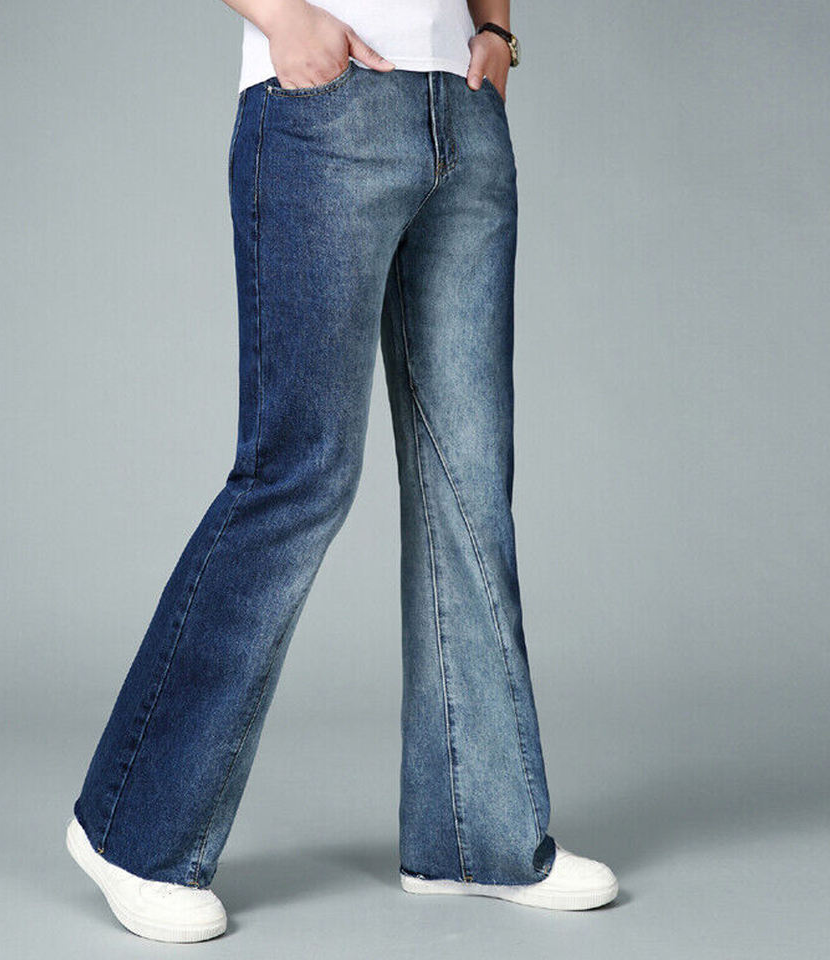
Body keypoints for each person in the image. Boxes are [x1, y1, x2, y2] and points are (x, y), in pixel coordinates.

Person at [65, 0, 618, 942]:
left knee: (469, 483)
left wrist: (494, 34)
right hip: (326, 107)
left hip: (464, 115)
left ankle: (476, 836)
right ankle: (133, 832)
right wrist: (284, 19)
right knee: (300, 474)